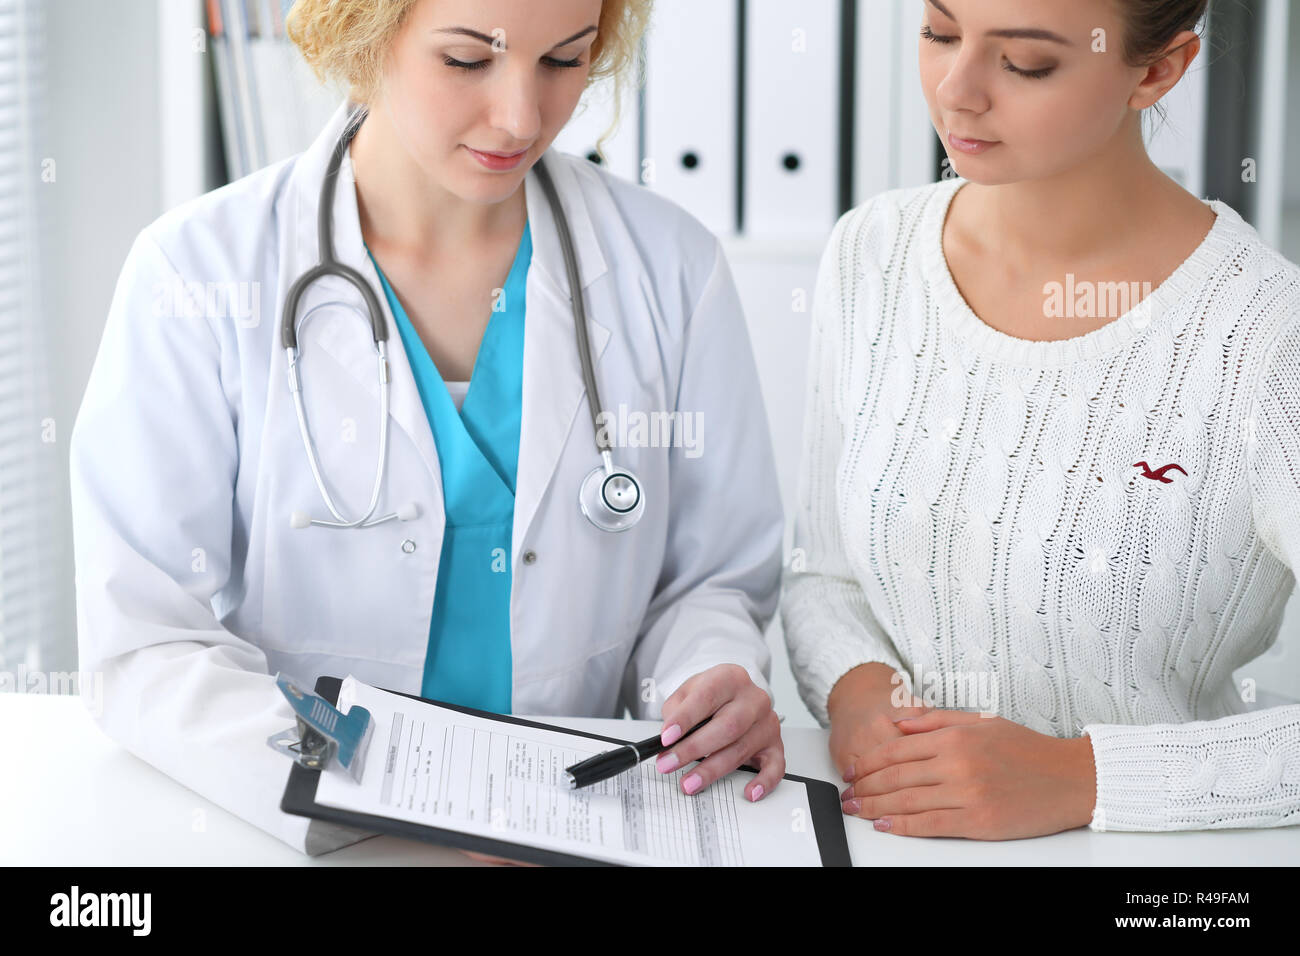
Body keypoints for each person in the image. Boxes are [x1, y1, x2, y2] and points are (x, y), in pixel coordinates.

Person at [70, 0, 786, 858]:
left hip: (573, 831)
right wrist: (371, 786)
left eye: (563, 61)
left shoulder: (670, 268)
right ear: (363, 34)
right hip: (309, 830)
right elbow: (145, 643)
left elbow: (710, 581)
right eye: (466, 62)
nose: (521, 117)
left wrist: (710, 676)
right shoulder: (197, 274)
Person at [784, 0, 1300, 839]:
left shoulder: (1266, 339)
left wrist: (1082, 779)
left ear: (1159, 69)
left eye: (1024, 62)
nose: (955, 91)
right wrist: (859, 694)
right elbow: (823, 574)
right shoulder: (870, 253)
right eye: (940, 33)